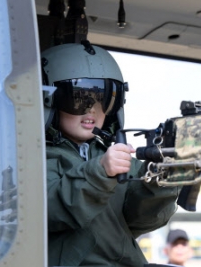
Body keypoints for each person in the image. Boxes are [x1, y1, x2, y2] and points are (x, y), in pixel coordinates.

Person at [42, 41, 179, 266]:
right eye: (78, 97)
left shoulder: (118, 159)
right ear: (50, 100)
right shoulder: (34, 158)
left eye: (103, 98)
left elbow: (141, 220)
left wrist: (161, 179)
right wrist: (100, 172)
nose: (92, 109)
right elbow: (51, 211)